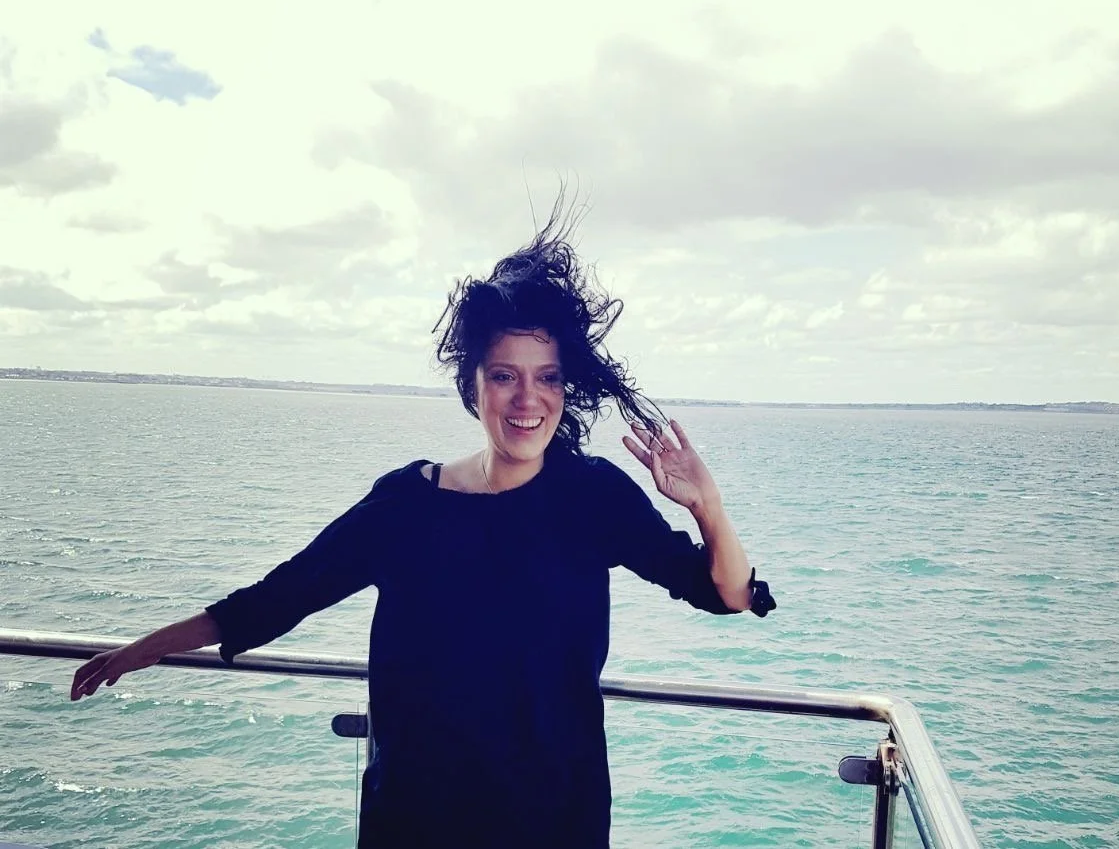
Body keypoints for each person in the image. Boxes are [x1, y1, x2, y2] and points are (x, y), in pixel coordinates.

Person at [69, 198, 776, 847]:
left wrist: (707, 507)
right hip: (414, 814)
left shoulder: (592, 496)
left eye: (548, 376)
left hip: (551, 816)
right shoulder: (407, 504)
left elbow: (727, 592)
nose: (528, 398)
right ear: (472, 385)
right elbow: (283, 595)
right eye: (504, 375)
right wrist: (143, 649)